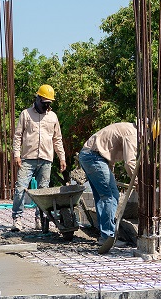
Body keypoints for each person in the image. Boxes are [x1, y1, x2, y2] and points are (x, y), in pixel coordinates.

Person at [10, 84, 66, 231]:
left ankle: (40, 218)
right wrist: (16, 155)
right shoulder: (26, 114)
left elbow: (57, 139)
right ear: (38, 98)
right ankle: (17, 218)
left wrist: (62, 157)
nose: (47, 106)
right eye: (45, 103)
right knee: (20, 188)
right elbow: (17, 136)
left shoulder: (53, 117)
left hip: (46, 159)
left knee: (43, 192)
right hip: (28, 158)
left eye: (49, 103)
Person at [78, 121, 137, 253]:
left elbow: (109, 152)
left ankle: (104, 234)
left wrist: (110, 173)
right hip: (94, 157)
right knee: (111, 195)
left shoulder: (128, 127)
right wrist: (137, 182)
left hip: (89, 155)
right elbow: (130, 162)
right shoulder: (133, 134)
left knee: (101, 196)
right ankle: (108, 235)